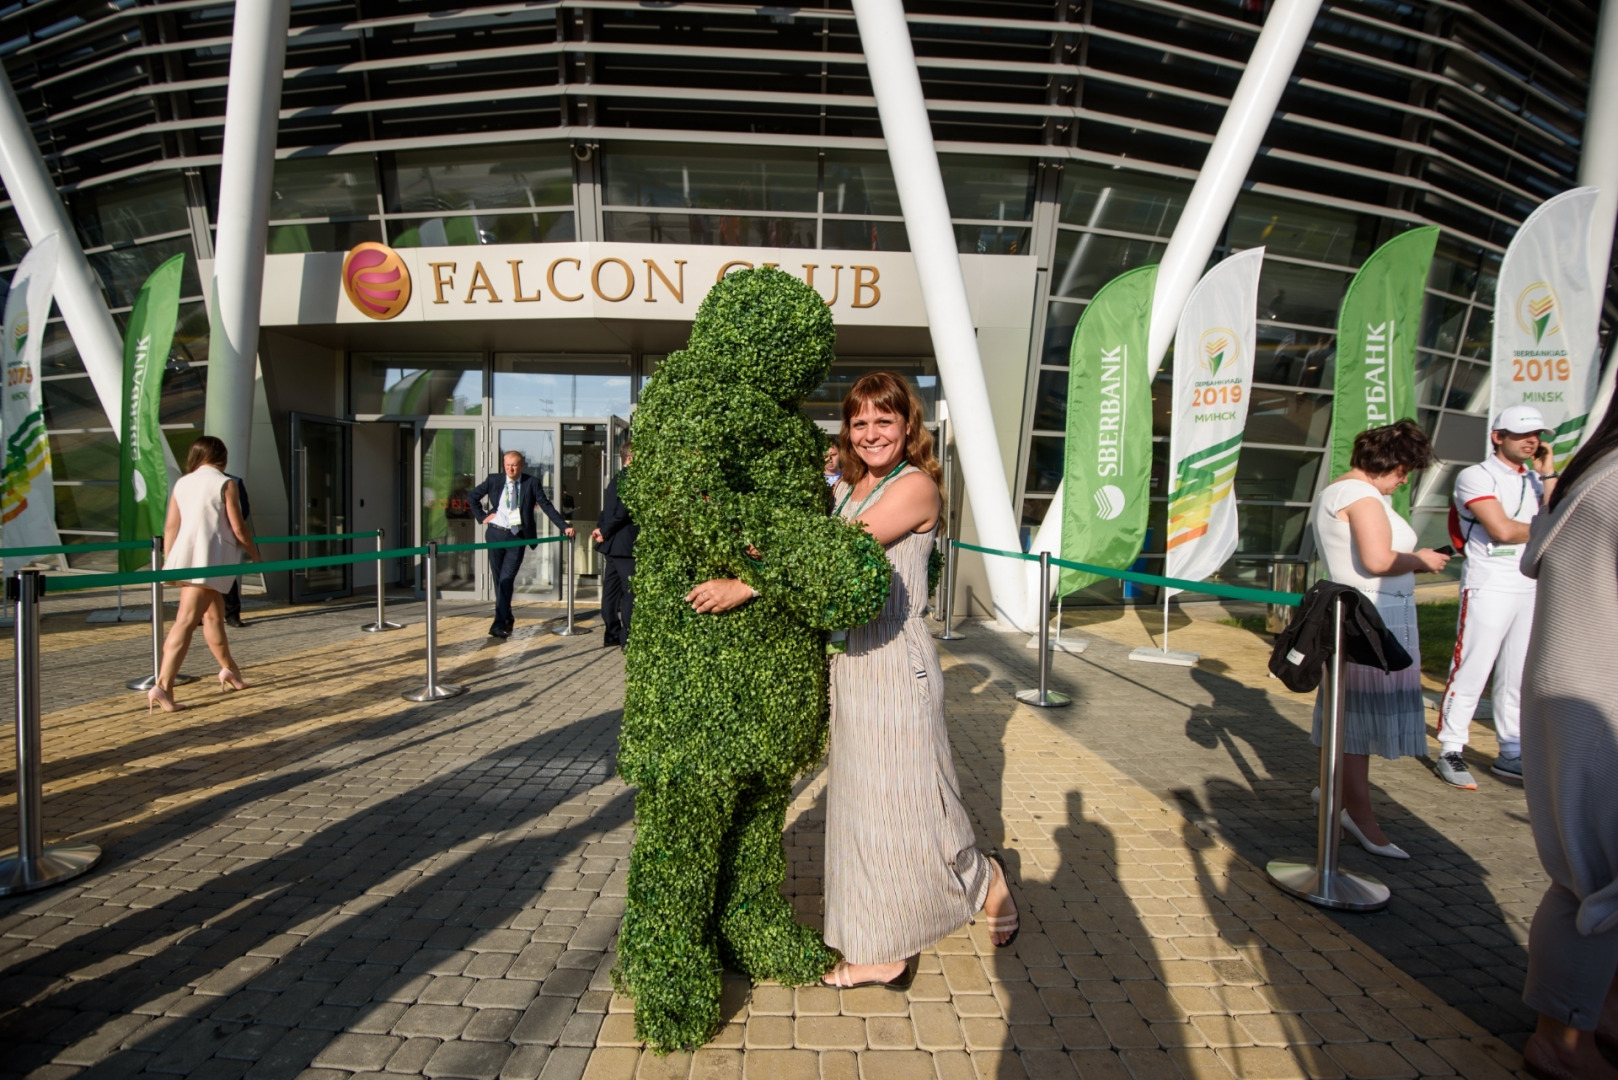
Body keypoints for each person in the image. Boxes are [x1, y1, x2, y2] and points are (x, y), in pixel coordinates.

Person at [820, 372, 1016, 987]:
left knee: (911, 797)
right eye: (860, 422)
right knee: (864, 805)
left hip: (896, 666)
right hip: (852, 661)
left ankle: (897, 940)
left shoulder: (917, 489)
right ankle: (972, 884)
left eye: (884, 420)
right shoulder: (855, 485)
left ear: (909, 426)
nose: (872, 433)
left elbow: (833, 556)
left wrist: (745, 584)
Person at [1517, 395, 1618, 1080]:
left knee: (1587, 875)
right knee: (1592, 881)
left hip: (1576, 686)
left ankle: (1592, 1012)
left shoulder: (1593, 471)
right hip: (1597, 694)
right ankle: (1562, 1037)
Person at [1309, 419, 1450, 858]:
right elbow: (1377, 559)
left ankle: (1338, 801)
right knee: (1357, 730)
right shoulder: (1360, 495)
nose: (1405, 479)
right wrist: (1422, 560)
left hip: (1365, 616)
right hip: (1371, 619)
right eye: (1404, 469)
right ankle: (1359, 816)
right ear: (1388, 461)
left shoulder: (1340, 492)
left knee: (1351, 723)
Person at [1435, 405, 1557, 788]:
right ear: (1497, 436)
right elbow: (1502, 530)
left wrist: (1549, 473)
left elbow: (1559, 510)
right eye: (1521, 434)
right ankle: (1451, 747)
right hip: (1489, 582)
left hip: (1528, 583)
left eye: (1535, 434)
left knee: (1517, 673)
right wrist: (1551, 524)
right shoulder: (1475, 475)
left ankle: (1511, 750)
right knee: (1472, 666)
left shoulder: (1539, 480)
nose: (1531, 441)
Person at [149, 436, 261, 713]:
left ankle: (230, 670)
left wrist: (170, 559)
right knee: (186, 621)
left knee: (213, 616)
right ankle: (163, 686)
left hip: (189, 557)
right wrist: (255, 555)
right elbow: (238, 527)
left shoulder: (183, 483)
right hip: (211, 558)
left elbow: (171, 527)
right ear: (222, 456)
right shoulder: (225, 482)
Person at [467, 450, 574, 638]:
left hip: (517, 538)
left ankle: (498, 624)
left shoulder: (531, 483)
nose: (510, 468)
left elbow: (546, 506)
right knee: (499, 580)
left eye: (514, 465)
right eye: (507, 465)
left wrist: (564, 526)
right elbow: (471, 496)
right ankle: (506, 617)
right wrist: (482, 517)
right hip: (495, 535)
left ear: (521, 465)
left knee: (506, 579)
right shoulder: (494, 480)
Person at [591, 440, 638, 648]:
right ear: (629, 458)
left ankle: (611, 633)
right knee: (629, 592)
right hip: (625, 548)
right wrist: (605, 530)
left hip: (611, 545)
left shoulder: (615, 479)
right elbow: (621, 512)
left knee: (610, 592)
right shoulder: (630, 480)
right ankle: (625, 638)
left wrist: (601, 529)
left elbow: (606, 511)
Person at [222, 471, 252, 629]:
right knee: (200, 580)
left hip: (225, 538)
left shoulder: (233, 481)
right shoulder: (189, 481)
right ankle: (201, 614)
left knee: (227, 577)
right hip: (201, 541)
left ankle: (232, 614)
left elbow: (244, 510)